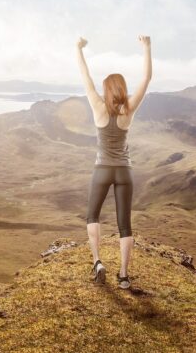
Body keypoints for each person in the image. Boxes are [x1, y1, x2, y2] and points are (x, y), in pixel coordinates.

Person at [76, 35, 152, 289]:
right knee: (124, 224)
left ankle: (98, 261)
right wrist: (146, 47)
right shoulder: (128, 110)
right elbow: (146, 79)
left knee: (92, 216)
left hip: (102, 170)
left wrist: (78, 49)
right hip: (124, 172)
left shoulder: (97, 105)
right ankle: (123, 276)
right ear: (122, 88)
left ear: (107, 89)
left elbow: (84, 77)